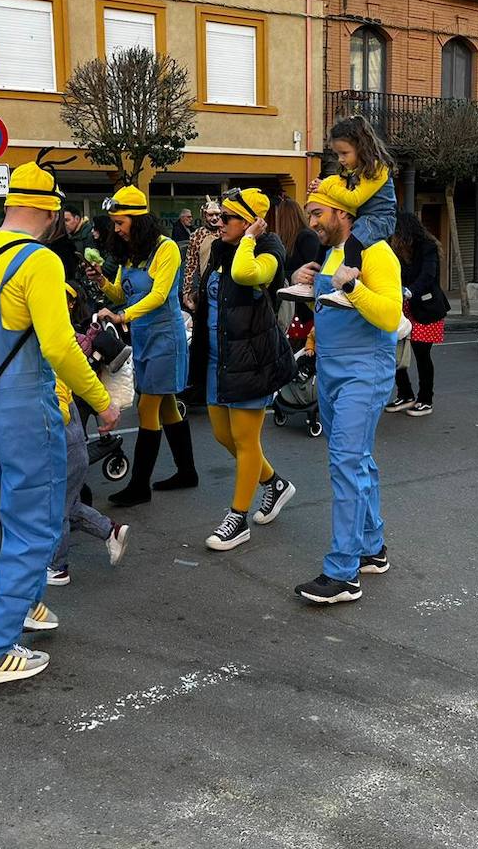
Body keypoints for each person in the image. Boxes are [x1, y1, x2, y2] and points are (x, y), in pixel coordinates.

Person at [0, 162, 120, 687]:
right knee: (34, 529)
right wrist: (102, 400)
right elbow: (58, 346)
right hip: (25, 411)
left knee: (18, 513)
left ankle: (25, 606)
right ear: (50, 211)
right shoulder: (40, 261)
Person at [290, 187, 402, 604]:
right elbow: (331, 301)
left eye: (318, 213)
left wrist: (352, 289)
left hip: (364, 370)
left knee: (346, 464)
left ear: (343, 212)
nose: (312, 222)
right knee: (358, 462)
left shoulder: (376, 254)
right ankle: (372, 549)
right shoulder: (336, 252)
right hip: (333, 369)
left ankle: (343, 573)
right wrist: (302, 282)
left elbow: (390, 315)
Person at [188, 188, 296, 551]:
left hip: (252, 359)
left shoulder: (268, 252)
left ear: (252, 222)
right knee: (223, 435)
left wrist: (250, 237)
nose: (219, 222)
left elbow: (247, 274)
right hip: (218, 360)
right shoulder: (221, 250)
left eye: (229, 217)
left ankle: (238, 519)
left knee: (247, 441)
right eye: (220, 216)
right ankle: (275, 483)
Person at [94, 185, 196, 505]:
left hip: (165, 338)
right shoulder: (132, 255)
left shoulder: (166, 249)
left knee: (146, 407)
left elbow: (158, 295)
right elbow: (123, 294)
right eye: (114, 223)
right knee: (166, 406)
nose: (116, 229)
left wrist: (122, 316)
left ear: (138, 221)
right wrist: (101, 282)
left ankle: (139, 486)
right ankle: (187, 472)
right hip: (142, 337)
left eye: (121, 222)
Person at [47, 285, 129, 586]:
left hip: (63, 429)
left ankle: (57, 567)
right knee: (62, 502)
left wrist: (105, 407)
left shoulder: (61, 338)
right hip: (67, 430)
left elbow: (74, 369)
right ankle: (111, 531)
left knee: (56, 505)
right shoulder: (56, 333)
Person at [282, 115, 397, 305]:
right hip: (363, 217)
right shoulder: (354, 171)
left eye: (344, 153)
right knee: (323, 244)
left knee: (353, 245)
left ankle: (349, 284)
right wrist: (322, 188)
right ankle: (312, 282)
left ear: (361, 148)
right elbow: (344, 193)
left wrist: (326, 187)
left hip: (378, 219)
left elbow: (354, 199)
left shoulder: (377, 169)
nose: (341, 159)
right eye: (337, 154)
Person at [388, 212, 445, 416]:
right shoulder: (395, 250)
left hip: (425, 306)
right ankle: (405, 394)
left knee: (422, 354)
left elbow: (428, 276)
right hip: (403, 305)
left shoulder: (426, 247)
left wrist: (409, 291)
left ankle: (425, 399)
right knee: (396, 351)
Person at [269, 194, 321, 326]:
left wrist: (291, 275)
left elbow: (315, 267)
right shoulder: (287, 240)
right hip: (296, 307)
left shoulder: (306, 237)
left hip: (304, 310)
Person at [181, 196, 223, 309]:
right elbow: (190, 265)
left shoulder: (226, 232)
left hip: (226, 286)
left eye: (217, 214)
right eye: (210, 214)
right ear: (204, 215)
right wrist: (187, 292)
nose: (214, 218)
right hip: (205, 286)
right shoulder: (197, 235)